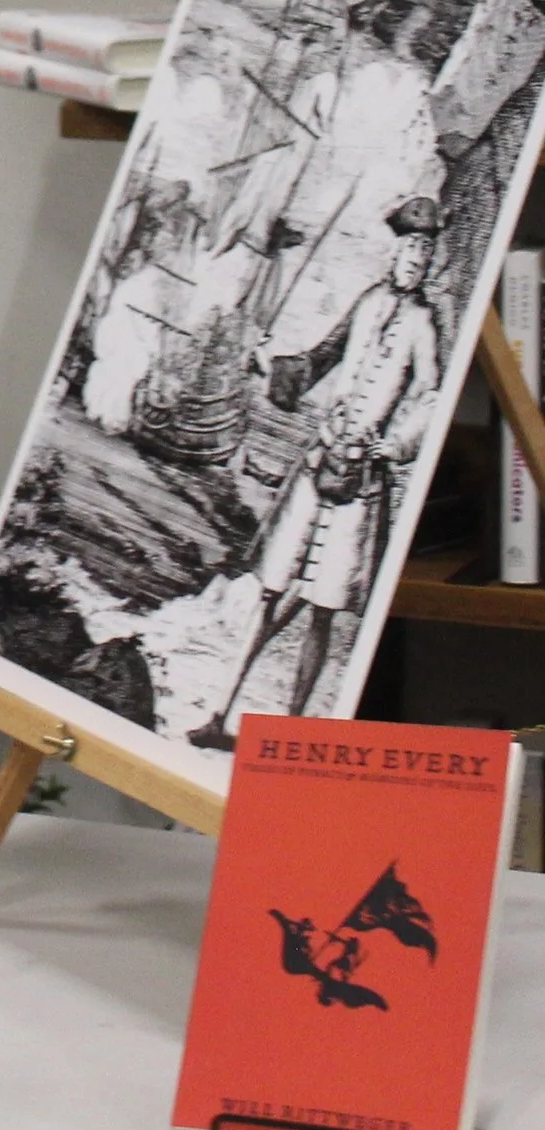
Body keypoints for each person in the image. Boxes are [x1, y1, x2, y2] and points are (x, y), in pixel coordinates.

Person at [187, 197, 444, 751]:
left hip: (360, 484)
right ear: (394, 249)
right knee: (269, 594)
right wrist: (270, 362)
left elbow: (429, 398)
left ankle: (289, 738)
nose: (413, 258)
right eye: (407, 246)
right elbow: (320, 357)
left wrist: (392, 443)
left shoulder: (426, 326)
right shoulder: (369, 301)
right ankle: (219, 716)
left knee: (321, 612)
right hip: (316, 466)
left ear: (429, 260)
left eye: (424, 250)